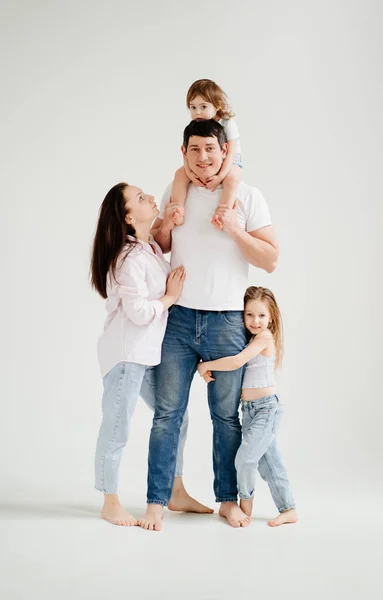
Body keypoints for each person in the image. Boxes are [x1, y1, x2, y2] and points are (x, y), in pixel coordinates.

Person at [137, 119, 279, 531]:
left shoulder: (248, 196)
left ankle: (227, 501)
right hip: (178, 318)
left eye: (210, 149)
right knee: (168, 414)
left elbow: (270, 259)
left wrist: (235, 229)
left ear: (224, 151)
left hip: (227, 322)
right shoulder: (174, 191)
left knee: (225, 417)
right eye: (194, 149)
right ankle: (155, 502)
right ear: (184, 153)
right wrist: (166, 220)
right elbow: (160, 246)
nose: (203, 158)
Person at [90, 182, 213, 527]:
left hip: (148, 355)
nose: (149, 199)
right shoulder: (126, 259)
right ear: (128, 216)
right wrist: (171, 298)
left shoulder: (148, 250)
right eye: (140, 198)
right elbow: (140, 313)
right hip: (127, 355)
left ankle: (175, 490)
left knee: (176, 416)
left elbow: (162, 242)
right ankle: (109, 500)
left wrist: (170, 223)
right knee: (117, 427)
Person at [198, 286, 298, 527]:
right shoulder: (250, 338)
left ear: (271, 317)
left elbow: (237, 361)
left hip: (266, 409)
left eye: (261, 315)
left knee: (245, 459)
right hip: (250, 411)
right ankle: (289, 509)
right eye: (249, 315)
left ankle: (245, 504)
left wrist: (205, 365)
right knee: (269, 463)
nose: (255, 321)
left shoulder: (264, 338)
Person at [171, 79, 242, 229]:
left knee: (233, 178)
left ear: (217, 106)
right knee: (179, 174)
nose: (197, 112)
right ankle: (178, 209)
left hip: (230, 159)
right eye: (193, 107)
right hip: (211, 161)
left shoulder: (228, 123)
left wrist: (220, 177)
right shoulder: (195, 126)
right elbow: (186, 154)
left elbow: (230, 152)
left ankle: (223, 213)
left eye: (203, 107)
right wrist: (190, 174)